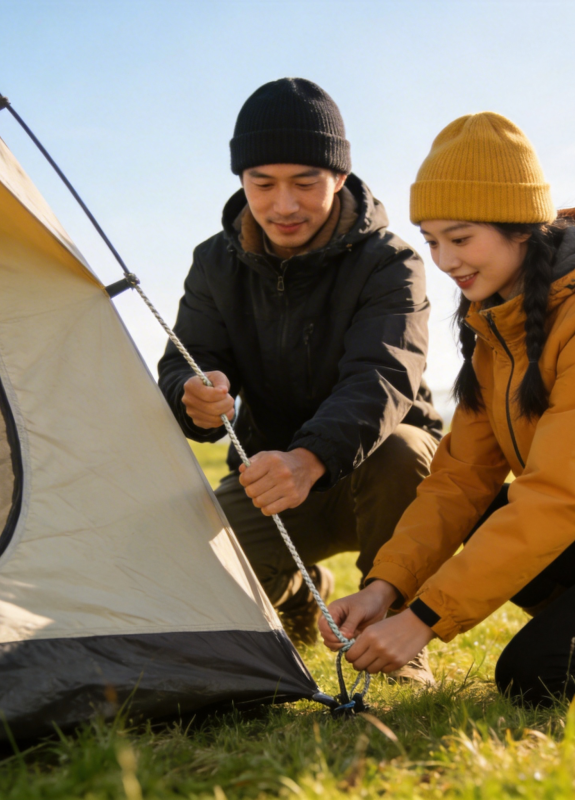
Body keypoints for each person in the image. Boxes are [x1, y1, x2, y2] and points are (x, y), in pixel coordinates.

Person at [320, 112, 575, 703]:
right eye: (432, 240)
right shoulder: (499, 326)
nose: (444, 261)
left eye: (461, 238)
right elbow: (459, 477)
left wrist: (425, 621)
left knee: (539, 673)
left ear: (522, 229)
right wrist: (385, 589)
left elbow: (558, 494)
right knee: (486, 505)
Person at [158, 78, 442, 682]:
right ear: (241, 180)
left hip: (379, 472)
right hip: (275, 483)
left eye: (305, 183)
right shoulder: (213, 261)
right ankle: (297, 590)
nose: (283, 205)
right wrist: (193, 399)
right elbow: (182, 360)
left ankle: (396, 631)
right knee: (183, 555)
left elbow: (384, 376)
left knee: (406, 450)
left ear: (339, 177)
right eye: (262, 183)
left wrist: (311, 458)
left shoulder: (391, 260)